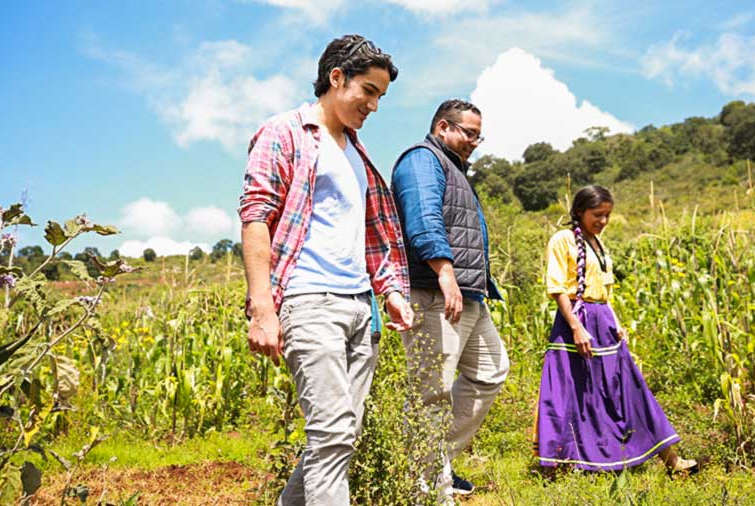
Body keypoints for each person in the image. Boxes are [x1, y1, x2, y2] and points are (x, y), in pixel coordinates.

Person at [238, 34, 413, 505]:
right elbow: (256, 217)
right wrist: (262, 309)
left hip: (361, 308)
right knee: (332, 435)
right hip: (309, 301)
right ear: (337, 78)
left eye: (381, 96)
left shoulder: (357, 153)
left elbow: (371, 235)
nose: (374, 105)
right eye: (368, 91)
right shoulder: (285, 132)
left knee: (339, 437)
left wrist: (392, 291)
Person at [391, 99, 510, 498]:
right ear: (443, 127)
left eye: (479, 135)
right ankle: (424, 488)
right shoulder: (422, 160)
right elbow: (423, 219)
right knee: (431, 393)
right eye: (469, 133)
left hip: (468, 295)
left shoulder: (454, 168)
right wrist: (446, 274)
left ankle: (431, 463)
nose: (475, 142)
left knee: (491, 370)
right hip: (436, 293)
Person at [533, 185, 697, 474]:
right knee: (570, 395)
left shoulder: (597, 243)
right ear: (579, 212)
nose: (603, 221)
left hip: (603, 321)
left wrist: (617, 323)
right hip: (575, 321)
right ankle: (556, 465)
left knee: (629, 388)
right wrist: (576, 328)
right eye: (598, 215)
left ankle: (672, 461)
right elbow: (558, 288)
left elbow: (604, 293)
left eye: (607, 215)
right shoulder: (563, 240)